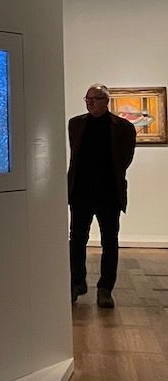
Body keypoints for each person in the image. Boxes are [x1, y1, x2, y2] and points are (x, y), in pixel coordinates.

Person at [68, 84, 136, 308]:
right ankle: (77, 283)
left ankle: (105, 289)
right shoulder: (76, 124)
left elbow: (125, 159)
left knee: (110, 241)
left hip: (109, 193)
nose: (89, 102)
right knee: (77, 240)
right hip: (80, 192)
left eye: (94, 98)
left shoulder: (124, 128)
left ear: (106, 101)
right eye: (87, 98)